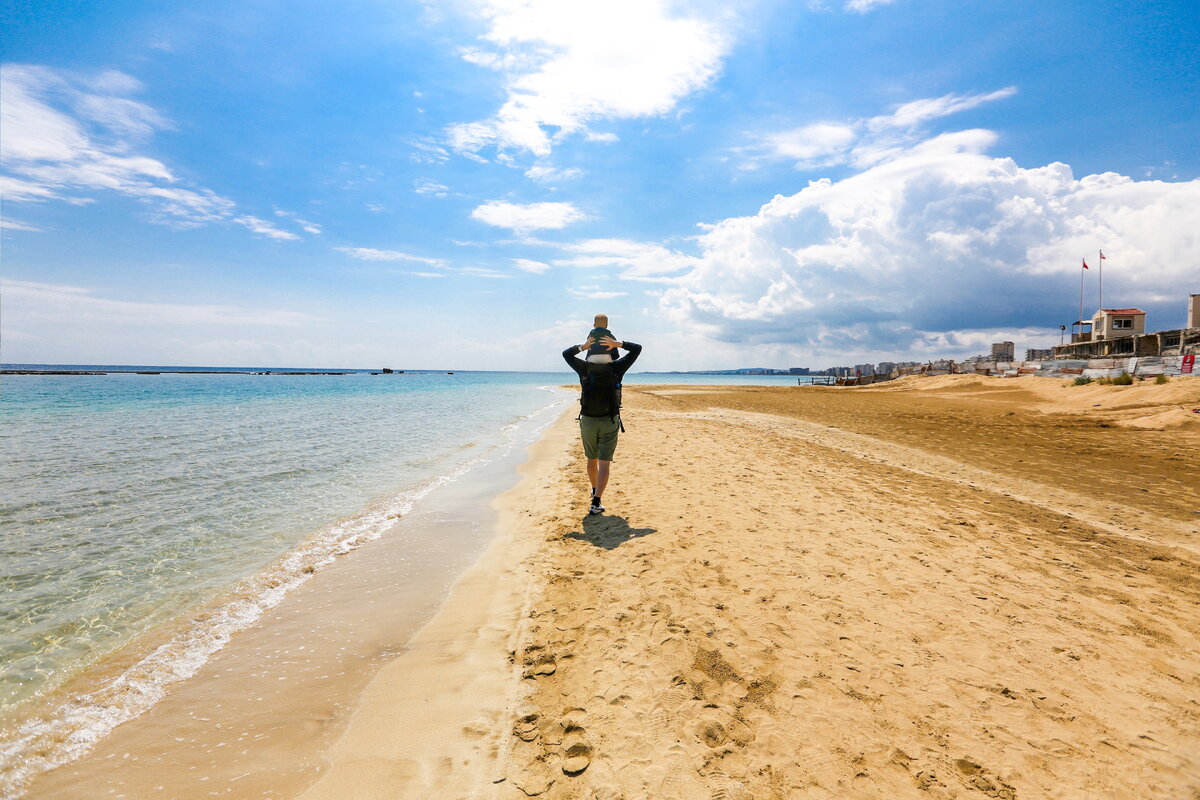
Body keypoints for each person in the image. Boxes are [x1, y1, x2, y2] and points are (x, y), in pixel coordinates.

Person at [562, 332, 642, 515]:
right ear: (612, 354)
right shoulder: (617, 368)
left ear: (590, 353)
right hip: (609, 420)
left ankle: (594, 490)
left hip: (588, 420)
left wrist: (581, 347)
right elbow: (637, 349)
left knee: (592, 459)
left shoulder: (584, 368)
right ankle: (596, 501)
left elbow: (566, 354)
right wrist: (619, 344)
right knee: (604, 464)